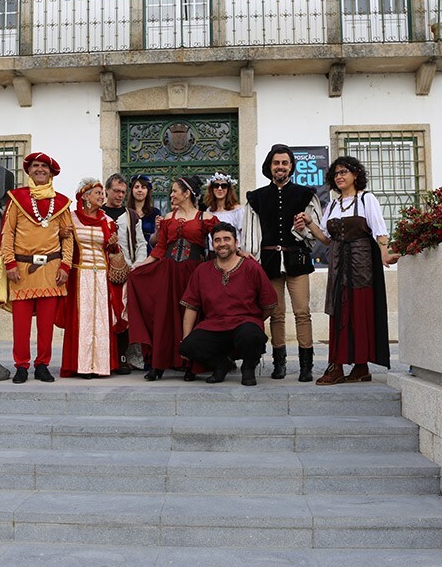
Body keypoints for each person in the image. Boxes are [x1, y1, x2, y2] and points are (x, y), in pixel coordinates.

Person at [293, 156, 400, 385]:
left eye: (344, 172)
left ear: (355, 175)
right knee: (339, 312)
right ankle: (338, 365)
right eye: (336, 173)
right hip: (338, 263)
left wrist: (384, 254)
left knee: (359, 312)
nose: (339, 176)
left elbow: (379, 231)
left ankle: (360, 366)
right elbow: (326, 238)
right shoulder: (332, 205)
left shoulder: (366, 199)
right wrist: (309, 222)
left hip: (361, 264)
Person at [243, 144, 322, 382]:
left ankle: (306, 366)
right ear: (269, 166)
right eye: (276, 163)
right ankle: (279, 364)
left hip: (297, 261)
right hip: (269, 263)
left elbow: (314, 231)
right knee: (276, 314)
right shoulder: (256, 198)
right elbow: (252, 235)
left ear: (291, 166)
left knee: (302, 312)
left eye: (285, 163)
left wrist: (303, 229)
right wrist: (254, 260)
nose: (280, 167)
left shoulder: (305, 194)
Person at [127, 176, 218, 381]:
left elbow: (222, 241)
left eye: (175, 191)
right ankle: (158, 364)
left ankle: (192, 364)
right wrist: (141, 265)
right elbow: (160, 248)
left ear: (186, 194)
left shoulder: (205, 218)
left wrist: (238, 254)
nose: (171, 195)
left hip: (193, 273)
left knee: (191, 315)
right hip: (168, 272)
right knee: (165, 316)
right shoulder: (169, 217)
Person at [0, 151, 74, 383]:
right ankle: (21, 366)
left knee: (46, 325)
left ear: (51, 173)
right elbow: (8, 233)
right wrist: (10, 263)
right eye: (36, 166)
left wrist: (65, 266)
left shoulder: (61, 203)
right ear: (29, 171)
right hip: (21, 269)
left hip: (51, 270)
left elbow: (68, 237)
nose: (40, 169)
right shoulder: (17, 199)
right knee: (21, 324)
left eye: (44, 167)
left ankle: (42, 365)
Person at [179, 222, 277, 386]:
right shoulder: (202, 270)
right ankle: (221, 364)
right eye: (217, 240)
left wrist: (255, 322)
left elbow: (270, 304)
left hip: (244, 323)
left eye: (227, 239)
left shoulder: (251, 267)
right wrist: (185, 338)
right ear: (213, 244)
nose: (222, 243)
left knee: (251, 334)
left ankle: (248, 368)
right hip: (214, 325)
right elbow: (191, 306)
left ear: (236, 242)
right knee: (187, 346)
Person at [56, 178, 127, 378]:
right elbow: (62, 245)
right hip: (80, 275)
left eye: (102, 193)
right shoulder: (71, 219)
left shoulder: (107, 220)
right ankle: (83, 366)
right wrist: (61, 234)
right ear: (85, 196)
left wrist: (112, 244)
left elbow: (112, 250)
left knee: (102, 320)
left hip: (102, 276)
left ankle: (102, 365)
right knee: (82, 321)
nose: (102, 196)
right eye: (98, 193)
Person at [101, 173, 148, 374]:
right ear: (107, 191)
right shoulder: (98, 214)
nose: (120, 195)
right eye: (116, 191)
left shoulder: (131, 216)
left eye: (123, 192)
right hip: (101, 272)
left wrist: (137, 265)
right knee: (105, 315)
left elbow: (141, 244)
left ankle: (122, 357)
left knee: (123, 315)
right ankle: (105, 357)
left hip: (126, 271)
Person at [202, 172, 243, 248]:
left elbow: (244, 235)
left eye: (224, 186)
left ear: (228, 189)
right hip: (214, 252)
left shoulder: (238, 210)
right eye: (216, 186)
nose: (220, 189)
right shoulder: (209, 211)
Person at [127, 174, 162, 247]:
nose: (140, 190)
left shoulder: (155, 213)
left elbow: (157, 240)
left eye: (143, 187)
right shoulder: (126, 212)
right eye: (136, 187)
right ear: (132, 190)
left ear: (147, 191)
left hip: (149, 251)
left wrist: (158, 229)